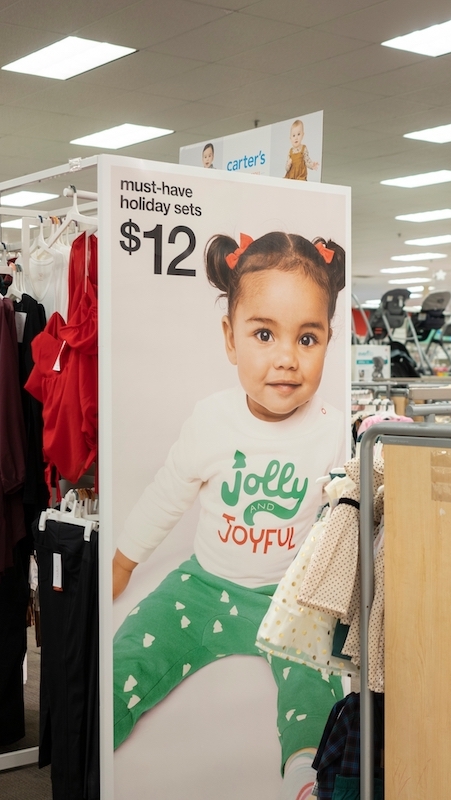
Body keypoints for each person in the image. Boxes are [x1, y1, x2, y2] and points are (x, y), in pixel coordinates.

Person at [111, 231, 347, 800]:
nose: (287, 357)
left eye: (307, 338)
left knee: (319, 687)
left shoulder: (336, 431)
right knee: (130, 650)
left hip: (290, 598)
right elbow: (169, 492)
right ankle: (94, 749)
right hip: (204, 586)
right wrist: (123, 560)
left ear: (328, 342)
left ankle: (304, 778)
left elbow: (345, 524)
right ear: (230, 339)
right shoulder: (211, 420)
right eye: (264, 334)